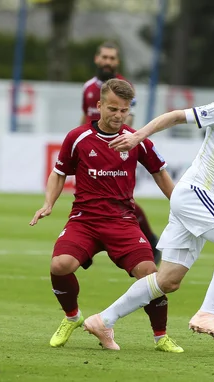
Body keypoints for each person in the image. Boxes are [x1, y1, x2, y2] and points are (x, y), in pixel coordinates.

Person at [81, 55, 214, 349]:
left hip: (203, 201)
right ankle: (208, 313)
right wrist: (138, 135)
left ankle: (103, 320)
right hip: (194, 192)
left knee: (168, 280)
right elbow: (176, 116)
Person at [30, 78, 183, 353]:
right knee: (59, 265)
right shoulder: (77, 138)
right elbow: (59, 173)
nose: (118, 115)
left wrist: (182, 206)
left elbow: (160, 173)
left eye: (124, 110)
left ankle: (161, 337)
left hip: (122, 221)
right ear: (99, 106)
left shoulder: (136, 140)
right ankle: (72, 318)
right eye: (113, 109)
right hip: (84, 220)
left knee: (150, 275)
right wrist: (48, 203)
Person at [81, 41, 162, 265]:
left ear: (117, 62)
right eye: (104, 57)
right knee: (85, 198)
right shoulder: (88, 88)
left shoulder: (124, 87)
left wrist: (122, 142)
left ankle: (150, 239)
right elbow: (84, 119)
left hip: (117, 146)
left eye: (112, 58)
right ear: (97, 59)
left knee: (120, 200)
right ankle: (84, 244)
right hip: (90, 150)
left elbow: (129, 120)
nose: (107, 62)